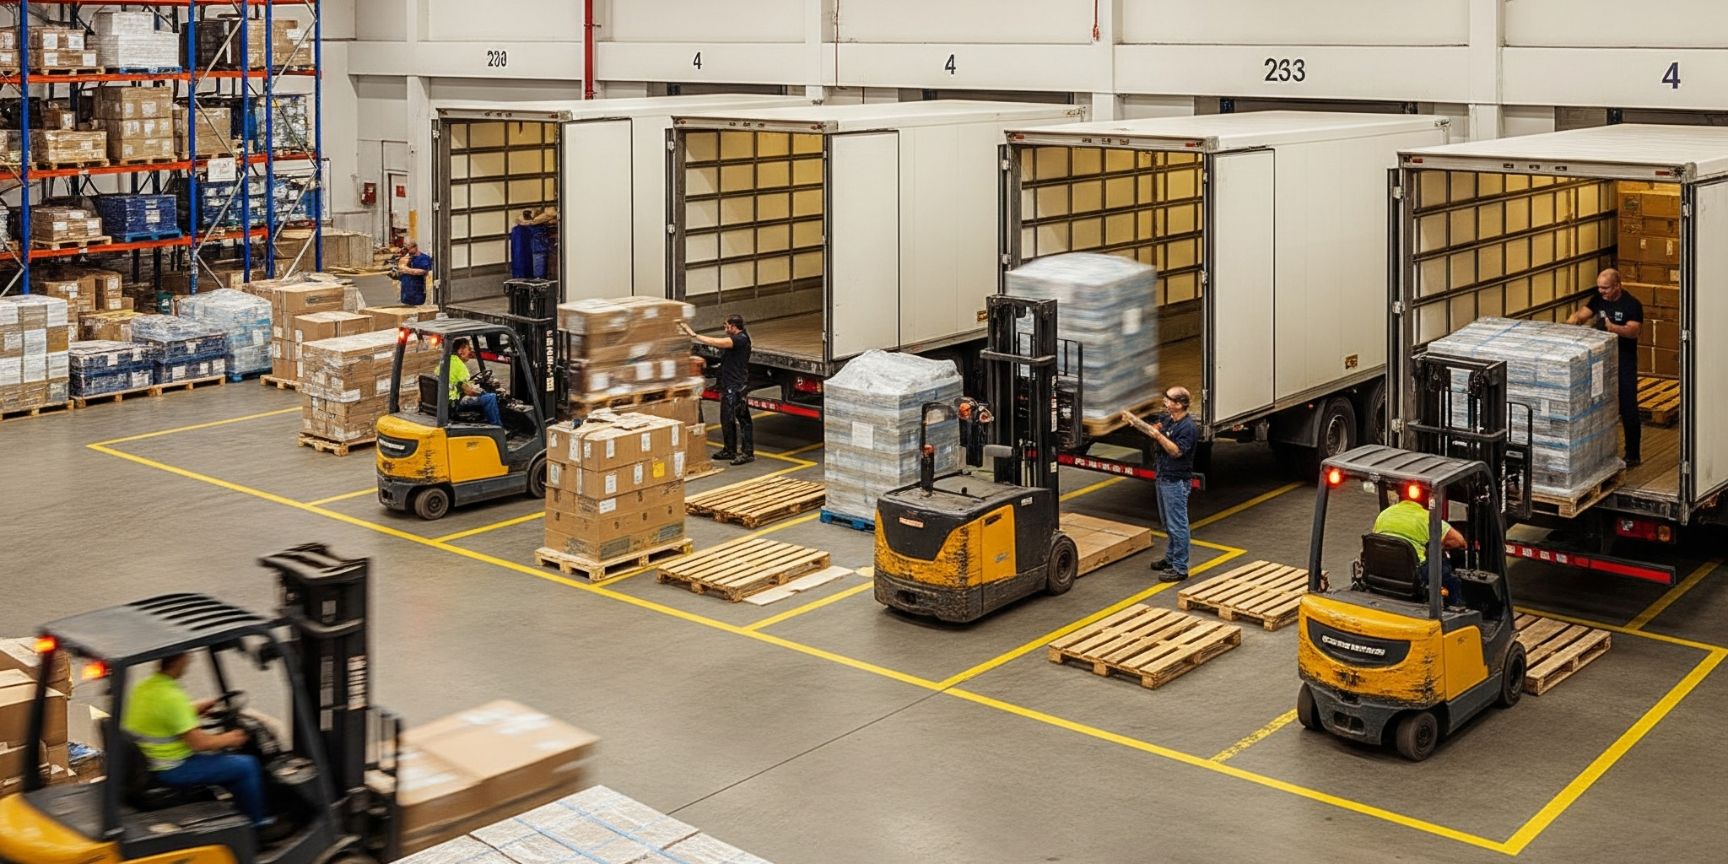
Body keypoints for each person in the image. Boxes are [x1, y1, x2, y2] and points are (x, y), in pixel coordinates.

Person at [121, 652, 269, 827]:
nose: (190, 661)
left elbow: (163, 714)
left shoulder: (145, 687)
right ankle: (256, 825)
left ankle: (236, 811)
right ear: (179, 660)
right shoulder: (172, 697)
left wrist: (194, 709)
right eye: (188, 658)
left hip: (152, 762)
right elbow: (201, 744)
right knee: (246, 765)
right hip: (172, 767)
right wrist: (231, 738)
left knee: (228, 761)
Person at [1121, 386, 1199, 582]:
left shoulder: (1187, 428)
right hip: (1163, 477)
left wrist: (1158, 436)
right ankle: (1171, 559)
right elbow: (1153, 430)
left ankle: (1180, 568)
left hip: (1175, 480)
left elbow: (1176, 451)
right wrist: (1135, 421)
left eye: (1168, 399)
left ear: (1179, 404)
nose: (1165, 402)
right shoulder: (1169, 420)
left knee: (1178, 525)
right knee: (1167, 523)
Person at [1567, 268, 1642, 467]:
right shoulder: (1598, 299)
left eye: (1606, 288)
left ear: (1617, 285)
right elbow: (1583, 314)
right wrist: (1572, 322)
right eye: (1599, 287)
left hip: (1623, 361)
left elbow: (1633, 331)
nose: (1602, 291)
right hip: (1602, 360)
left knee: (1628, 407)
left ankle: (1633, 454)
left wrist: (1612, 328)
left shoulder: (1631, 305)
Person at [679, 314, 752, 465]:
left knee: (742, 419)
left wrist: (694, 335)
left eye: (726, 326)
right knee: (727, 418)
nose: (725, 328)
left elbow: (718, 342)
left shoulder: (741, 339)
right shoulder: (735, 340)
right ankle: (729, 450)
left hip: (737, 386)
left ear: (733, 326)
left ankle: (747, 453)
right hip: (729, 384)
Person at [1372, 496, 1467, 606]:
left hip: (1381, 569)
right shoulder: (1427, 517)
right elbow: (1459, 541)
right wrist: (1439, 545)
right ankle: (1458, 608)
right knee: (1448, 574)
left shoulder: (1385, 514)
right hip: (1413, 573)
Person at [446, 336, 502, 426]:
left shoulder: (446, 362)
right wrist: (480, 392)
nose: (470, 352)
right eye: (469, 349)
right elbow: (468, 391)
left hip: (446, 401)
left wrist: (473, 383)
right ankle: (497, 427)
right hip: (455, 403)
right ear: (461, 350)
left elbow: (456, 383)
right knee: (490, 397)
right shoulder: (460, 367)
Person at [396, 240, 434, 306]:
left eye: (408, 249)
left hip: (417, 291)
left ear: (415, 247)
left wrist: (407, 270)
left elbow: (423, 271)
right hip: (406, 292)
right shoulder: (406, 258)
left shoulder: (423, 258)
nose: (407, 251)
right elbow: (400, 272)